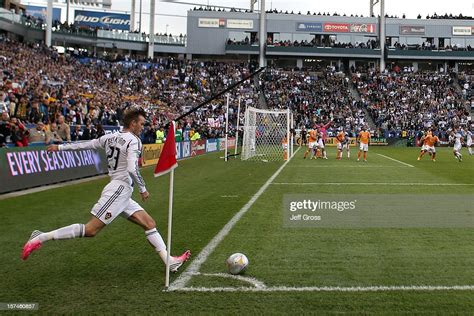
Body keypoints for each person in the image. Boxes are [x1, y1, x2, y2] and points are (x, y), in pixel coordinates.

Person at [22, 108, 191, 272]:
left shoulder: (109, 137)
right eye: (141, 123)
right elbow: (132, 168)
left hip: (122, 192)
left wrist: (60, 147)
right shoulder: (133, 140)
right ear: (133, 123)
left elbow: (86, 144)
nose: (143, 127)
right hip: (119, 190)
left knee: (149, 223)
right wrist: (143, 188)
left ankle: (168, 261)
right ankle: (41, 236)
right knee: (90, 230)